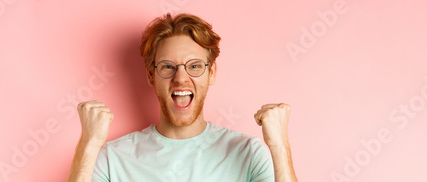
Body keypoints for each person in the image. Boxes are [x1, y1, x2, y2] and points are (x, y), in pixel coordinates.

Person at [67, 13, 297, 182]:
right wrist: (89, 145)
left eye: (194, 66)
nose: (181, 78)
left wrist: (280, 147)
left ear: (211, 73)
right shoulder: (113, 158)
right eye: (168, 67)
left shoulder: (247, 152)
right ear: (151, 75)